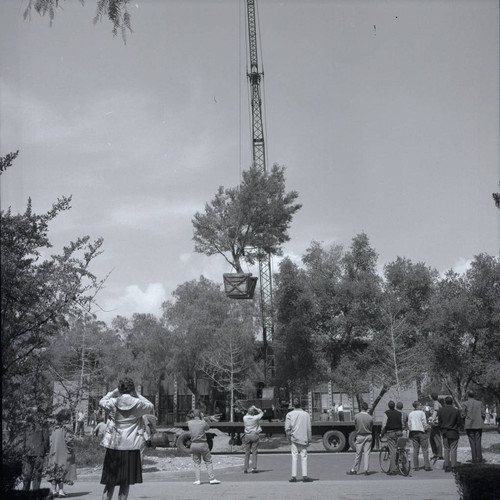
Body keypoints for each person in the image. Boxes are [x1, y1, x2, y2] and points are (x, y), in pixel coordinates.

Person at [99, 377, 154, 500]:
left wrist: (113, 392)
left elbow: (102, 401)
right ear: (132, 389)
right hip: (130, 445)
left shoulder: (113, 402)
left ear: (120, 389)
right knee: (125, 482)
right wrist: (137, 394)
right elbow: (150, 406)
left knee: (110, 481)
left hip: (114, 444)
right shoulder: (138, 403)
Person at [46, 408, 77, 498]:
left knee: (53, 471)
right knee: (62, 470)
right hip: (64, 453)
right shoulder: (67, 429)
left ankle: (53, 490)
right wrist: (72, 450)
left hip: (54, 453)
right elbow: (69, 441)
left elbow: (50, 441)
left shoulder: (54, 428)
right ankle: (61, 491)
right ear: (67, 418)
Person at [187, 409, 221, 485]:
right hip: (203, 444)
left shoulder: (189, 423)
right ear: (200, 415)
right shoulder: (203, 423)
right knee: (208, 461)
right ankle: (211, 478)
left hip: (193, 444)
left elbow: (192, 421)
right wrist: (203, 418)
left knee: (197, 462)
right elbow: (207, 428)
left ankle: (197, 479)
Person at [285, 398, 313, 483]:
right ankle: (305, 476)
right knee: (304, 456)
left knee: (294, 456)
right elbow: (309, 428)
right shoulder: (306, 414)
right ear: (301, 405)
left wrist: (289, 437)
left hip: (294, 437)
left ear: (293, 405)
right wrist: (309, 439)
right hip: (303, 437)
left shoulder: (289, 414)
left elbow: (287, 428)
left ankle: (294, 476)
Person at [21, 409, 50, 491]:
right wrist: (46, 451)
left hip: (28, 451)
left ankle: (25, 493)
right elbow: (46, 439)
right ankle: (35, 493)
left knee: (27, 474)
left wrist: (23, 451)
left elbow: (24, 439)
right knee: (37, 475)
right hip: (39, 452)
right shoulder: (43, 425)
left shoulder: (27, 426)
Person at [346, 402, 373, 476]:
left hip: (360, 435)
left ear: (361, 407)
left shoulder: (357, 416)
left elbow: (356, 426)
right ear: (367, 408)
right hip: (368, 435)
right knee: (367, 453)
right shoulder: (370, 417)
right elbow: (371, 427)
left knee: (358, 453)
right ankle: (366, 470)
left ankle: (354, 469)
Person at [438, 396, 462, 472]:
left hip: (445, 431)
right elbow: (459, 422)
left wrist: (441, 429)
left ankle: (447, 465)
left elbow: (439, 422)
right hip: (454, 431)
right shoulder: (456, 411)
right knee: (453, 449)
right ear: (452, 402)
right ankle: (454, 466)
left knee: (446, 449)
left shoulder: (441, 410)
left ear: (445, 402)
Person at [380, 400, 403, 475]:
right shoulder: (399, 413)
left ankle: (393, 470)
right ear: (394, 406)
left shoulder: (386, 413)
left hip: (391, 433)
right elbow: (402, 423)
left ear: (388, 406)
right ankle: (403, 464)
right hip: (399, 432)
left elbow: (384, 424)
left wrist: (382, 433)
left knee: (392, 451)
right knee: (399, 448)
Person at [408, 401, 432, 472]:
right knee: (425, 449)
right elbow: (424, 422)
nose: (421, 406)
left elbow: (409, 424)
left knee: (416, 450)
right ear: (417, 406)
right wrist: (427, 427)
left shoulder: (411, 413)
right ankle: (427, 466)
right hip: (421, 432)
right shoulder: (422, 413)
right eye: (420, 405)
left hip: (414, 432)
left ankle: (416, 466)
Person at [461, 390, 485, 463]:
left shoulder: (465, 403)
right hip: (478, 424)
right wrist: (481, 421)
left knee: (472, 441)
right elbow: (483, 414)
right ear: (474, 395)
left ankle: (474, 458)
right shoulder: (479, 403)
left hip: (469, 424)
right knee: (478, 441)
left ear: (468, 395)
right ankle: (479, 458)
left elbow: (463, 415)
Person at [242, 405, 264, 473]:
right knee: (254, 452)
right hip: (254, 435)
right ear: (253, 413)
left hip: (247, 435)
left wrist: (250, 409)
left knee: (247, 452)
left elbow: (247, 414)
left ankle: (245, 468)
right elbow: (261, 413)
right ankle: (254, 468)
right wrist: (255, 408)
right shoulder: (255, 418)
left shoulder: (244, 418)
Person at [429, 393, 443, 460]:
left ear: (432, 397)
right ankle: (435, 454)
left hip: (436, 424)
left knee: (436, 439)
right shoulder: (435, 403)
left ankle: (439, 455)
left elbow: (435, 411)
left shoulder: (436, 403)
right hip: (434, 424)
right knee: (432, 439)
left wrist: (432, 419)